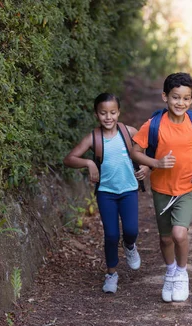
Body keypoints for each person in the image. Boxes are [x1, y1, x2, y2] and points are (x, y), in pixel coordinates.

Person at [131, 72, 192, 302]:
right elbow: (135, 151)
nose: (180, 103)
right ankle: (170, 271)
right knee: (165, 238)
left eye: (186, 98)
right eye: (175, 97)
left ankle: (181, 272)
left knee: (179, 233)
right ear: (165, 97)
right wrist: (156, 164)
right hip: (161, 187)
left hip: (189, 186)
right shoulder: (154, 125)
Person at [63, 93, 149, 294]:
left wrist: (146, 167)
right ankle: (111, 273)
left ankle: (129, 246)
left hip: (129, 190)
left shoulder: (129, 132)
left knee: (131, 230)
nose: (108, 117)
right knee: (111, 235)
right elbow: (69, 159)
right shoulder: (93, 137)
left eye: (112, 112)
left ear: (119, 112)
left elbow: (146, 151)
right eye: (103, 113)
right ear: (96, 114)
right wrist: (88, 162)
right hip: (106, 193)